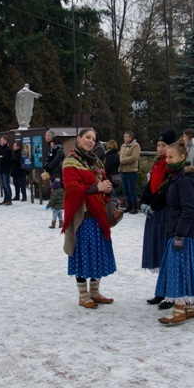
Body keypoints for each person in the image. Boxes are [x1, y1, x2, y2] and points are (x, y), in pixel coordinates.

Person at [154, 139, 194, 324]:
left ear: (182, 157)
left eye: (170, 157)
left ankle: (179, 309)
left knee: (178, 270)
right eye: (166, 157)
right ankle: (189, 307)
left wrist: (179, 234)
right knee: (186, 269)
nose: (167, 160)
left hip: (186, 233)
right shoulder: (176, 176)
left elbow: (189, 209)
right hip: (184, 231)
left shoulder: (186, 179)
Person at [61, 128, 116, 309]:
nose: (90, 141)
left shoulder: (96, 161)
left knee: (97, 255)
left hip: (98, 215)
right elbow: (72, 188)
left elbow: (103, 180)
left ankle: (94, 292)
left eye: (93, 138)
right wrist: (97, 187)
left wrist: (107, 186)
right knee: (83, 255)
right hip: (83, 216)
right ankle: (83, 295)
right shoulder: (70, 161)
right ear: (79, 138)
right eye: (87, 137)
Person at [140, 128, 176, 308]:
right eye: (159, 145)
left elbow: (166, 190)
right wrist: (143, 203)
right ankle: (161, 290)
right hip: (154, 214)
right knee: (158, 252)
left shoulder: (172, 165)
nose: (161, 149)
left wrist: (153, 206)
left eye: (164, 145)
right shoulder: (157, 162)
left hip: (164, 213)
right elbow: (149, 185)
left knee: (166, 253)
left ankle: (171, 292)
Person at [119, 131, 141, 214]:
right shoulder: (123, 146)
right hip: (123, 171)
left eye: (125, 136)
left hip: (131, 171)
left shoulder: (136, 146)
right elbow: (120, 155)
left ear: (130, 138)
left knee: (132, 190)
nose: (124, 138)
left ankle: (134, 207)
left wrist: (122, 161)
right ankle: (128, 206)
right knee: (126, 190)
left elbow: (134, 157)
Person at [0, 136, 13, 205]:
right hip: (1, 169)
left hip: (6, 169)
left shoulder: (8, 150)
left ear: (6, 141)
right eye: (0, 140)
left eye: (2, 140)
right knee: (2, 185)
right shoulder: (0, 150)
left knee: (6, 184)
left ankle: (9, 199)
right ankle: (5, 199)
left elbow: (6, 159)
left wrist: (1, 157)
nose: (1, 142)